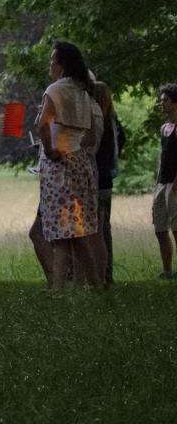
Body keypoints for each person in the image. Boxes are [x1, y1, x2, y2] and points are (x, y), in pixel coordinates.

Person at [35, 41, 101, 290]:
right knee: (78, 230)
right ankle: (94, 284)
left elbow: (43, 124)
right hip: (80, 163)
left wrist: (52, 149)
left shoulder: (56, 90)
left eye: (53, 59)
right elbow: (92, 136)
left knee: (61, 232)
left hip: (59, 166)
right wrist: (73, 144)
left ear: (62, 65)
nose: (50, 64)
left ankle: (57, 289)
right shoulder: (84, 92)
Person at [91, 81, 119, 284]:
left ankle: (102, 275)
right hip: (107, 179)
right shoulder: (113, 121)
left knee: (98, 229)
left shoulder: (99, 122)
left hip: (98, 179)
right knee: (104, 227)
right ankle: (106, 274)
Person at [153, 83, 177, 280]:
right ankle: (167, 270)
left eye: (165, 100)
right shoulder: (163, 128)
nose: (161, 103)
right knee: (160, 228)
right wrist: (157, 182)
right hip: (161, 183)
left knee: (176, 228)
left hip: (175, 184)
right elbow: (163, 157)